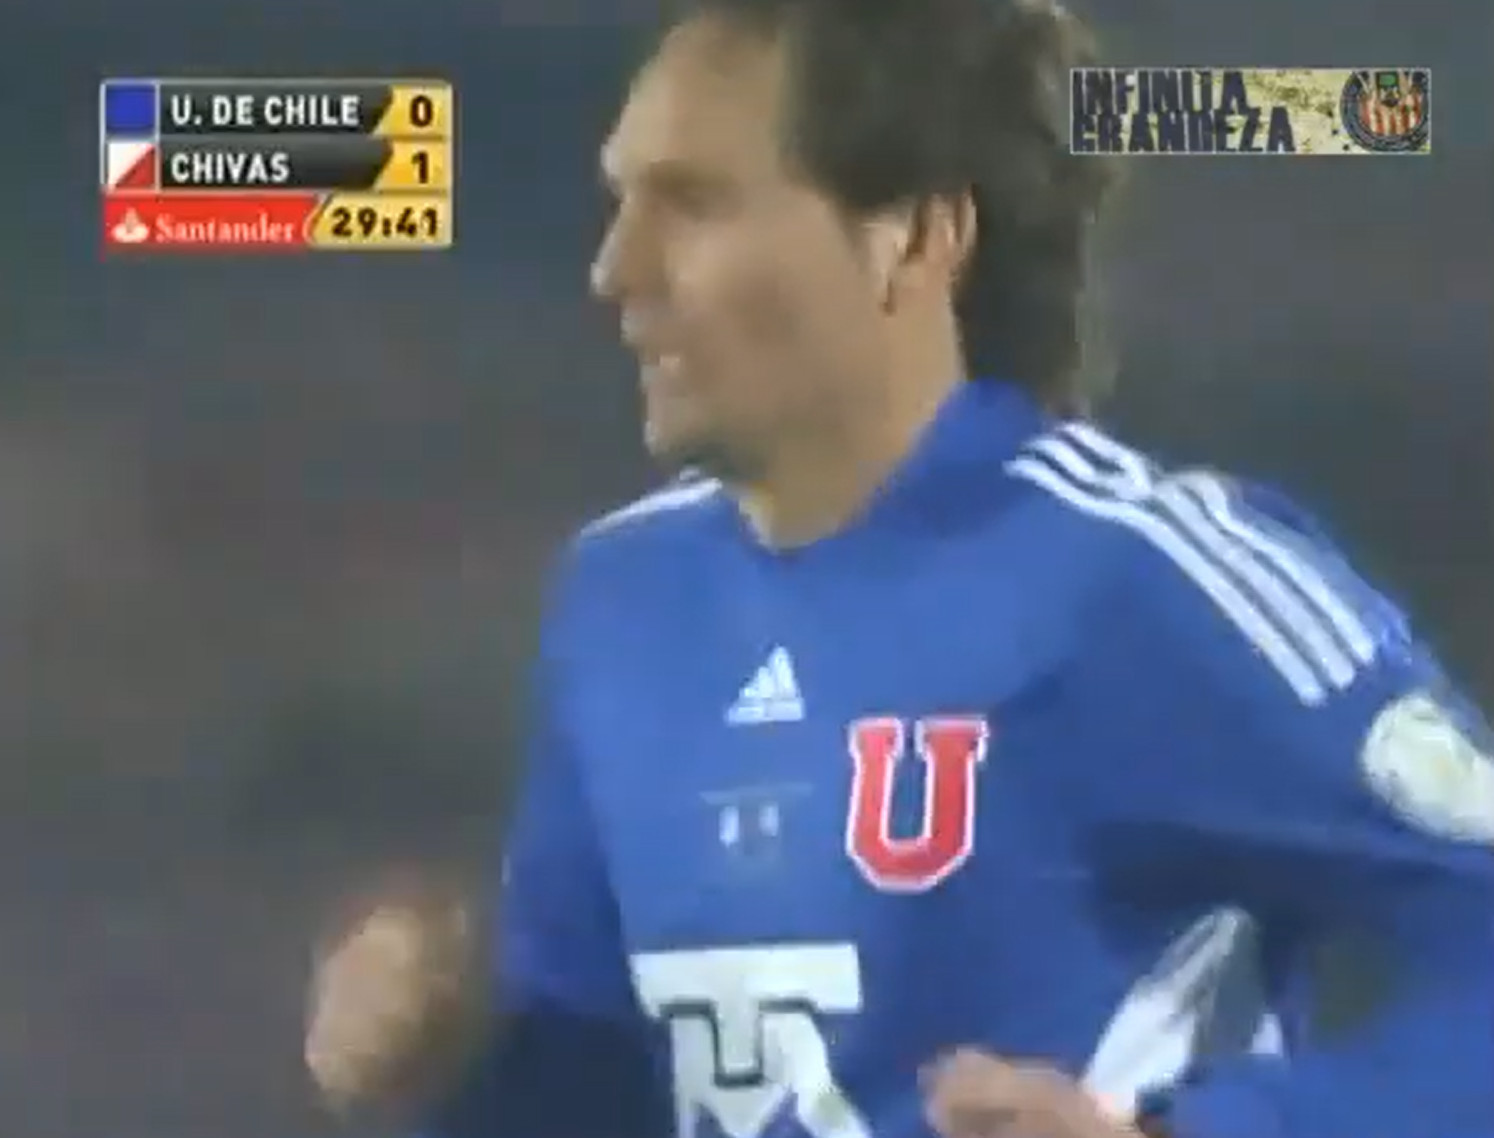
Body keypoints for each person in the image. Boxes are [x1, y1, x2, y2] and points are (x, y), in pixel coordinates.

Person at [304, 0, 1494, 1136]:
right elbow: (618, 1100)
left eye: (693, 205)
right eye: (622, 204)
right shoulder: (621, 603)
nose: (616, 268)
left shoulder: (1143, 577)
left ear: (913, 238)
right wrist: (454, 1061)